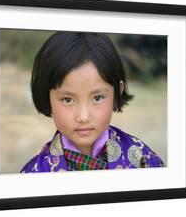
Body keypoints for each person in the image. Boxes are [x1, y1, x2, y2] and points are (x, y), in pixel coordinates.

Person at [20, 32, 164, 173]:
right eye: (67, 100)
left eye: (97, 98)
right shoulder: (35, 173)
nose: (83, 117)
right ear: (47, 97)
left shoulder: (143, 159)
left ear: (116, 93)